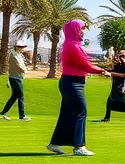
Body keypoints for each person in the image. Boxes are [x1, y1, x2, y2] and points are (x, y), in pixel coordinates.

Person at [48, 19, 112, 156]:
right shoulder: (73, 46)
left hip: (71, 82)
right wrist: (102, 71)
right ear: (74, 30)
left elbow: (84, 64)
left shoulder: (72, 44)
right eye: (81, 29)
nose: (83, 32)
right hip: (73, 83)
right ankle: (79, 146)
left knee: (67, 114)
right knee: (80, 111)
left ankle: (55, 144)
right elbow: (86, 66)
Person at [101, 49, 125, 124]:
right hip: (115, 85)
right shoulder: (117, 65)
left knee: (122, 101)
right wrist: (105, 72)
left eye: (122, 54)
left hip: (121, 86)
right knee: (109, 101)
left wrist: (113, 74)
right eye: (120, 54)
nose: (120, 55)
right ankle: (107, 118)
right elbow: (113, 71)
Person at [1, 41, 31, 121]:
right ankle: (22, 116)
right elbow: (18, 65)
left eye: (23, 47)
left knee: (14, 96)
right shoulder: (14, 54)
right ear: (17, 47)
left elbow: (21, 64)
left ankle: (3, 113)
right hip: (15, 78)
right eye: (21, 47)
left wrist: (25, 69)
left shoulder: (19, 54)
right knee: (20, 96)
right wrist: (24, 70)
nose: (22, 48)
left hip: (17, 78)